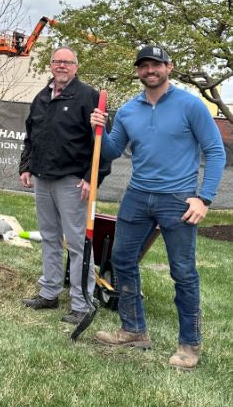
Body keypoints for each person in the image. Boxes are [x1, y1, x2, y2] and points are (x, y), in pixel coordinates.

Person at [91, 45, 226, 370]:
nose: (150, 70)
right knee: (122, 260)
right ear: (138, 71)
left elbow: (216, 151)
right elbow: (110, 151)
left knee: (183, 272)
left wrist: (203, 197)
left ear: (169, 66)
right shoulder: (127, 110)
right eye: (144, 65)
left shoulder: (191, 106)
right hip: (137, 196)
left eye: (156, 64)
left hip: (177, 199)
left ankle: (189, 345)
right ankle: (134, 329)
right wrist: (99, 127)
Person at [19, 46, 109, 325]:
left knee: (78, 242)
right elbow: (31, 135)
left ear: (76, 67)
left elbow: (103, 143)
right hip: (43, 179)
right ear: (50, 65)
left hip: (72, 181)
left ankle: (82, 303)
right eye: (57, 61)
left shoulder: (88, 97)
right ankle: (49, 292)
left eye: (67, 62)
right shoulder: (42, 97)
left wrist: (91, 178)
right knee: (49, 237)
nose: (62, 66)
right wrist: (26, 165)